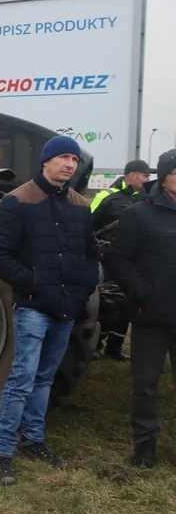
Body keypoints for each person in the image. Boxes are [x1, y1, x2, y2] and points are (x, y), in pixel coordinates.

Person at [0, 136, 99, 485]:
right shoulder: (18, 201)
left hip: (66, 309)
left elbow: (90, 254)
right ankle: (2, 452)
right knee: (22, 379)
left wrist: (81, 291)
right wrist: (32, 283)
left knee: (45, 378)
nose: (70, 164)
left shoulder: (80, 205)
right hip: (34, 307)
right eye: (63, 157)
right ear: (46, 161)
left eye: (74, 159)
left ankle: (33, 441)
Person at [104, 149, 176, 468]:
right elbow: (117, 258)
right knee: (145, 383)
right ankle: (145, 444)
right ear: (165, 176)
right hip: (152, 315)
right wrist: (141, 292)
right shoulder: (139, 213)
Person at [91, 159, 154, 361]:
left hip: (132, 262)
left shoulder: (146, 200)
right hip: (106, 260)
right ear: (133, 175)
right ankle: (95, 345)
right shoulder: (106, 196)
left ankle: (115, 347)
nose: (148, 180)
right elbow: (86, 225)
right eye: (145, 176)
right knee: (104, 302)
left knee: (127, 302)